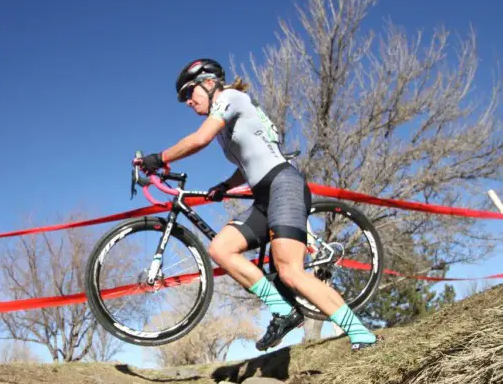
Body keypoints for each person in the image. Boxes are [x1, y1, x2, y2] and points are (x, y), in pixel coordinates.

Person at [135, 58, 378, 351]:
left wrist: (159, 158)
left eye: (189, 92)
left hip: (283, 184)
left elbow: (199, 139)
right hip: (264, 196)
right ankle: (283, 309)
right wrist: (225, 186)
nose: (188, 101)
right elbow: (249, 161)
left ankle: (361, 334)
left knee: (290, 271)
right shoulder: (225, 128)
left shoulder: (230, 98)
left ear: (210, 83)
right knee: (220, 249)